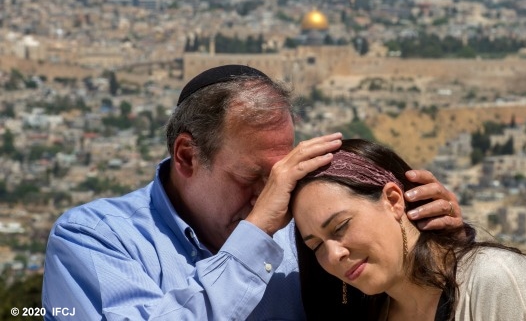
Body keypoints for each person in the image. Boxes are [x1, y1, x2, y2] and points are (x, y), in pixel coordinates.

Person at [42, 65, 464, 320]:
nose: (274, 196)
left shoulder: (308, 234)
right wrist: (255, 232)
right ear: (187, 156)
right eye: (251, 178)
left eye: (281, 176)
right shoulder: (94, 238)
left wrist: (433, 239)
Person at [291, 139, 526, 321]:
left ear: (393, 201)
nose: (333, 255)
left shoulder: (496, 281)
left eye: (340, 226)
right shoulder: (368, 311)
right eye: (316, 245)